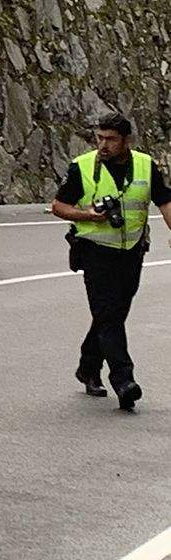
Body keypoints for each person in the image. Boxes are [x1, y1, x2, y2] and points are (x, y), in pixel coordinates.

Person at [50, 112, 171, 412]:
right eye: (99, 138)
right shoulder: (82, 167)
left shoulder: (145, 165)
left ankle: (88, 366)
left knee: (112, 314)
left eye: (111, 139)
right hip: (95, 251)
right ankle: (123, 380)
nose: (103, 144)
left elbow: (165, 200)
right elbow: (58, 205)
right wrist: (87, 215)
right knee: (108, 313)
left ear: (127, 140)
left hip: (131, 251)